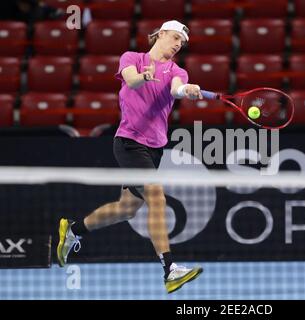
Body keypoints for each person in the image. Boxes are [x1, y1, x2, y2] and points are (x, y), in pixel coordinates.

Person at [57, 20, 204, 294]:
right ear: (160, 34)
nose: (177, 45)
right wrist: (144, 76)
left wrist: (188, 90)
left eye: (181, 43)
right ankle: (170, 269)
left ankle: (74, 230)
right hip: (129, 143)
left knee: (127, 208)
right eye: (174, 38)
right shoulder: (132, 58)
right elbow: (131, 80)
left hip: (154, 148)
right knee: (157, 197)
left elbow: (175, 88)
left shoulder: (177, 71)